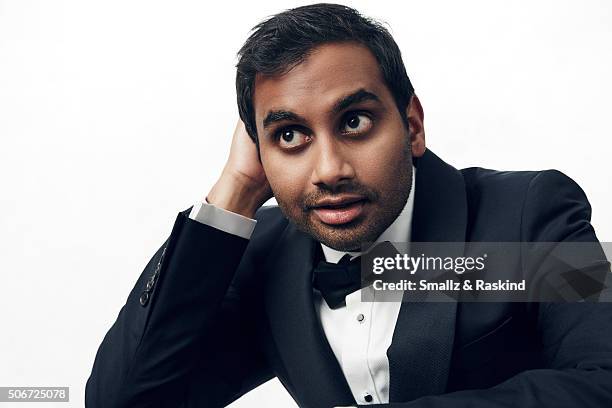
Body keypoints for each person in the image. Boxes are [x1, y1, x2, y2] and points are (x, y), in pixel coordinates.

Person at [85, 3, 612, 407]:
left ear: (411, 124)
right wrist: (236, 190)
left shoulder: (529, 211)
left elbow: (603, 382)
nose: (329, 168)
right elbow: (126, 399)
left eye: (354, 122)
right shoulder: (263, 255)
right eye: (290, 135)